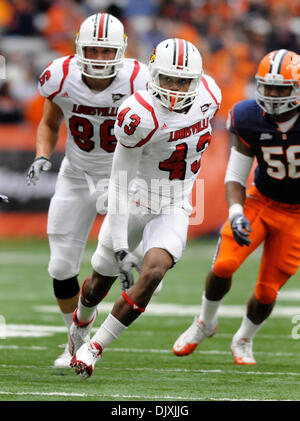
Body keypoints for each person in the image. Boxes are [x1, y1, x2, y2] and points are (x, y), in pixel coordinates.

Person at [68, 37, 221, 379]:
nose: (175, 88)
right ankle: (80, 326)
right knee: (97, 283)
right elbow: (119, 185)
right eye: (167, 79)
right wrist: (122, 247)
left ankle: (94, 348)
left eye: (182, 81)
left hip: (177, 202)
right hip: (135, 198)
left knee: (153, 273)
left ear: (196, 81)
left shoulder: (210, 97)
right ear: (154, 75)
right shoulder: (140, 115)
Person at [26, 12, 149, 368]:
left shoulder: (140, 79)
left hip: (123, 178)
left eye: (105, 51)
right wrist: (41, 155)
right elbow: (49, 123)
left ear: (121, 51)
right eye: (91, 50)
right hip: (76, 174)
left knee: (112, 263)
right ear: (79, 48)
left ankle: (86, 340)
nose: (97, 58)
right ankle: (74, 338)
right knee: (61, 266)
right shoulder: (60, 76)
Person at [173, 49, 300, 365]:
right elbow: (235, 175)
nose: (272, 95)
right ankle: (205, 321)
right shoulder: (247, 116)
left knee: (268, 290)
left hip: (297, 215)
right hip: (260, 201)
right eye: (267, 87)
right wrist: (236, 212)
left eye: (281, 89)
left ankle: (243, 338)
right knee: (224, 265)